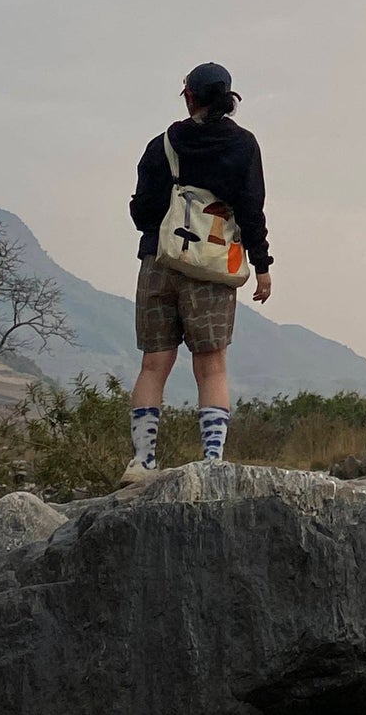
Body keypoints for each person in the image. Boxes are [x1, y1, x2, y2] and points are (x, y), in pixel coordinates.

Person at [121, 62, 272, 484]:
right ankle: (210, 462)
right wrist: (262, 266)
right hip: (212, 266)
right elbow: (251, 210)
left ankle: (142, 463)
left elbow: (142, 211)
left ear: (188, 95)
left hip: (160, 260)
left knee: (154, 363)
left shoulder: (163, 143)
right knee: (212, 366)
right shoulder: (243, 146)